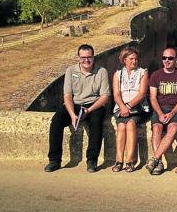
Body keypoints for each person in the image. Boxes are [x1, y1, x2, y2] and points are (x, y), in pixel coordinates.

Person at [45, 44, 110, 173]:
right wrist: (72, 114)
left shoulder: (101, 71)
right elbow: (67, 95)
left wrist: (89, 110)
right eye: (83, 57)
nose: (86, 60)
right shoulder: (71, 70)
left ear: (93, 57)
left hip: (93, 105)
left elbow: (105, 96)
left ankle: (92, 160)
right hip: (74, 105)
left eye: (89, 57)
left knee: (96, 123)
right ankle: (54, 160)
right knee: (56, 121)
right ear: (79, 58)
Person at [147, 48, 177, 175]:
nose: (167, 60)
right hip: (159, 109)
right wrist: (160, 113)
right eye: (164, 58)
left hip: (175, 110)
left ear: (176, 60)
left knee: (172, 130)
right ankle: (158, 163)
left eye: (170, 58)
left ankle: (154, 159)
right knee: (157, 130)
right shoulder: (155, 75)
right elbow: (153, 98)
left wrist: (171, 114)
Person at [111, 46, 148, 173]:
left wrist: (128, 106)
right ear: (124, 59)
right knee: (121, 126)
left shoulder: (143, 72)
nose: (134, 61)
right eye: (131, 58)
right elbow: (116, 94)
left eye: (136, 59)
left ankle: (130, 160)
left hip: (137, 108)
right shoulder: (117, 74)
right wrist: (122, 107)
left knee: (131, 124)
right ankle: (119, 160)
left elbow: (142, 93)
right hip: (120, 108)